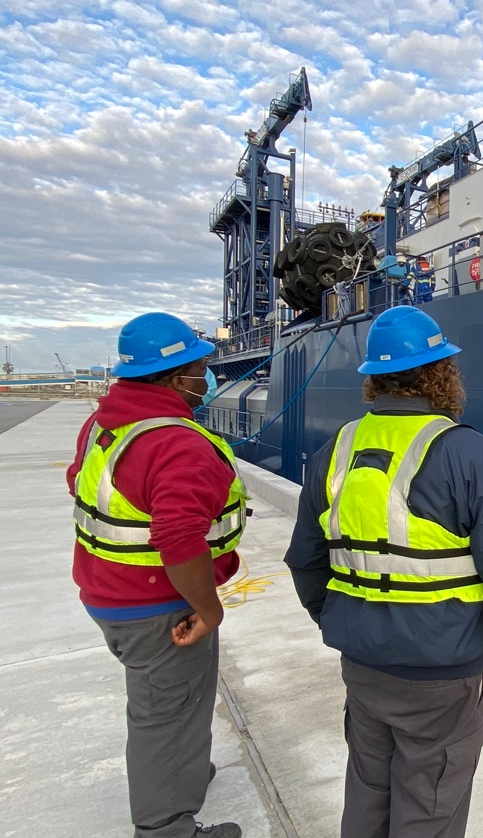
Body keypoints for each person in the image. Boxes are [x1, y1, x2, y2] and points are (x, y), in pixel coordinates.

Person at [284, 305, 483, 838]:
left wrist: (346, 620)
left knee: (367, 793)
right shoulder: (469, 454)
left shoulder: (335, 451)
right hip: (440, 674)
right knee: (430, 804)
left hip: (362, 663)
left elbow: (305, 561)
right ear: (441, 374)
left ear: (373, 380)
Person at [67, 312, 247, 838]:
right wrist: (209, 608)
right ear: (175, 378)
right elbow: (177, 538)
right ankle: (167, 824)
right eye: (199, 367)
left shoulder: (104, 424)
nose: (206, 377)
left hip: (107, 592)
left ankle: (182, 773)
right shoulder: (176, 443)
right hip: (159, 607)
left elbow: (81, 485)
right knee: (166, 711)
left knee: (175, 703)